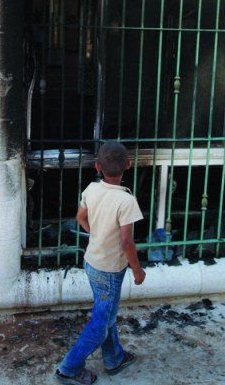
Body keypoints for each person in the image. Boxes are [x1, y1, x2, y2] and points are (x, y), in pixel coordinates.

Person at [55, 141, 146, 385]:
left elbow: (80, 217)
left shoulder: (91, 189)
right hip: (110, 270)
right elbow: (127, 242)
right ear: (128, 165)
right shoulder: (126, 201)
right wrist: (137, 269)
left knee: (107, 316)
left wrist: (96, 234)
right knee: (101, 323)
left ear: (97, 166)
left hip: (92, 263)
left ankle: (114, 359)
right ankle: (68, 369)